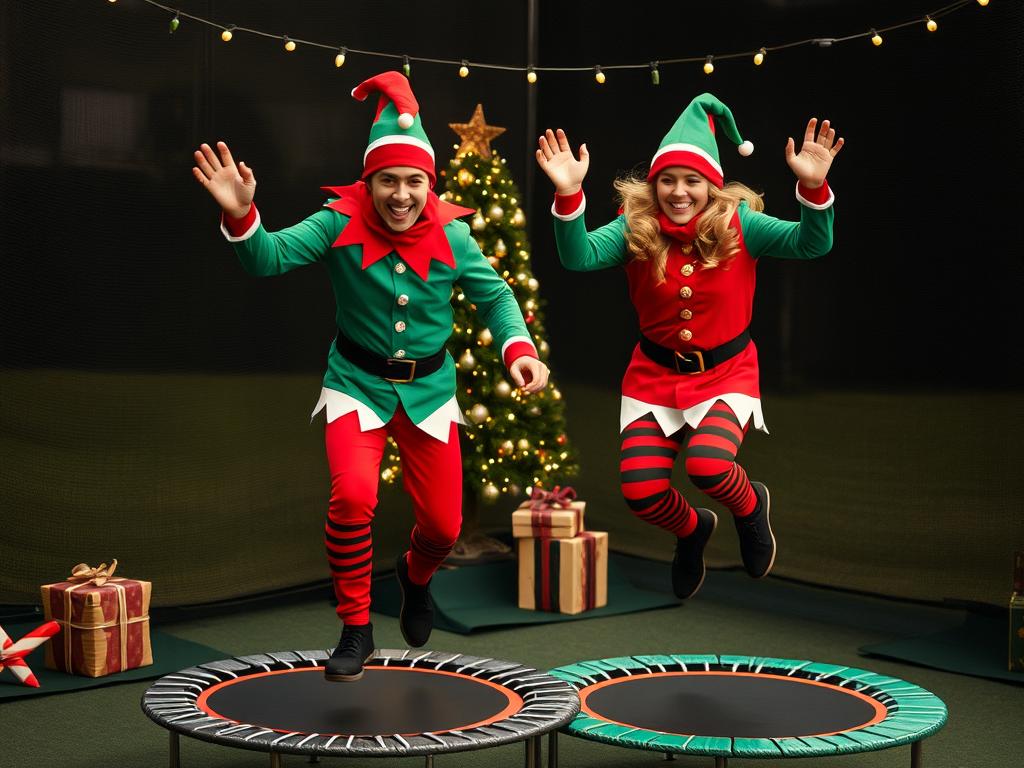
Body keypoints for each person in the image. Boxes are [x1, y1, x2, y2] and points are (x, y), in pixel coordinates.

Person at [192, 72, 548, 681]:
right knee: (353, 496)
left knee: (443, 526)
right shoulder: (338, 222)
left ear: (429, 186)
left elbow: (497, 298)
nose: (402, 194)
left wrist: (518, 348)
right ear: (369, 181)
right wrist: (243, 214)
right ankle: (355, 626)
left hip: (431, 390)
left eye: (414, 182)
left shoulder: (454, 235)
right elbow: (269, 257)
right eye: (389, 180)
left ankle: (414, 578)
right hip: (356, 382)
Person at [535, 93, 843, 599]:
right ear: (653, 184)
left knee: (708, 465)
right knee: (641, 492)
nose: (678, 192)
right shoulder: (636, 229)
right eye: (667, 180)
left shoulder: (742, 225)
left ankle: (750, 508)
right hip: (653, 379)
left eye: (692, 180)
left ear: (712, 186)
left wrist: (813, 186)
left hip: (726, 375)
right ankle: (692, 530)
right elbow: (577, 257)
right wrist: (569, 195)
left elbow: (813, 243)